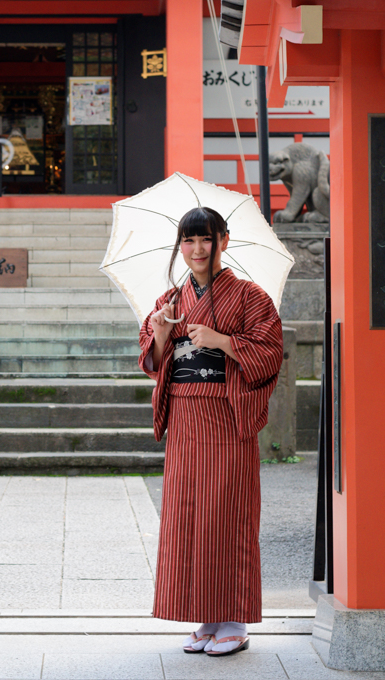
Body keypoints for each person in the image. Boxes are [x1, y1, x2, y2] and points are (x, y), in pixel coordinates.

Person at [137, 206, 284, 657]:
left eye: (206, 239)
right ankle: (207, 616)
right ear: (180, 246)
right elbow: (153, 362)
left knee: (226, 513)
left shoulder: (249, 296)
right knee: (188, 517)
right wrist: (162, 332)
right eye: (189, 241)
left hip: (225, 416)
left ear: (224, 240)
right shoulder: (172, 299)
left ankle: (234, 619)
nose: (197, 249)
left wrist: (221, 341)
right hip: (184, 417)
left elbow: (271, 351)